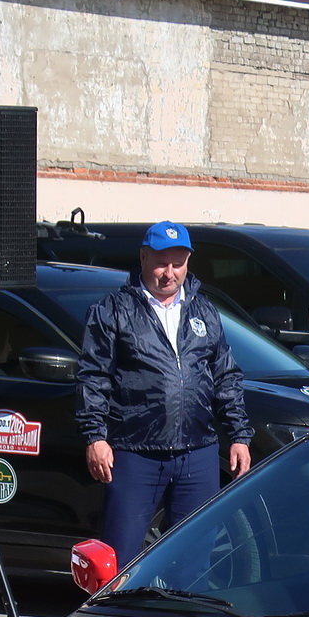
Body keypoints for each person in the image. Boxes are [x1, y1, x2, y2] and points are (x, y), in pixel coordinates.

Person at [77, 222, 252, 565]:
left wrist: (239, 435)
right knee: (120, 559)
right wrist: (95, 436)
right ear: (143, 258)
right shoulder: (112, 311)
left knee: (194, 561)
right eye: (160, 263)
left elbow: (225, 376)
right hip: (134, 453)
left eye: (178, 263)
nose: (169, 273)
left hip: (197, 452)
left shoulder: (203, 311)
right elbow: (93, 377)